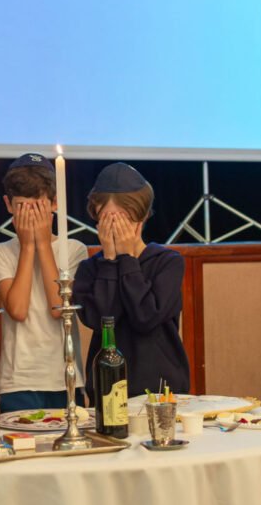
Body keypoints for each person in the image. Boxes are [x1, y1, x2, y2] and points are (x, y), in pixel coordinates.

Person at [72, 162, 190, 397]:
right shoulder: (89, 269)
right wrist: (109, 261)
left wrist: (127, 259)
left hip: (161, 387)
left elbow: (146, 317)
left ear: (142, 216)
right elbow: (103, 320)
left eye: (124, 218)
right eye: (108, 218)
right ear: (96, 216)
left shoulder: (167, 262)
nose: (116, 226)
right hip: (108, 388)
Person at [0, 153, 89, 412]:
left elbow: (59, 307)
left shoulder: (74, 248)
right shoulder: (0, 252)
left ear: (55, 203)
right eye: (23, 207)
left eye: (38, 206)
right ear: (8, 205)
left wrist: (44, 245)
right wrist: (27, 247)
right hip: (19, 381)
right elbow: (18, 310)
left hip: (65, 376)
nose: (32, 216)